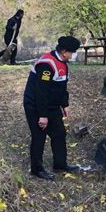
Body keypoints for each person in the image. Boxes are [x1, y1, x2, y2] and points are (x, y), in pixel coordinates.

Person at [23, 36, 81, 180]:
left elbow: (61, 87)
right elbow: (41, 92)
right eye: (72, 52)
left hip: (52, 105)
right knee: (39, 136)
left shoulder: (64, 64)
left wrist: (65, 105)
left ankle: (60, 164)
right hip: (36, 105)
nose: (73, 55)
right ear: (64, 51)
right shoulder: (47, 65)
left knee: (59, 133)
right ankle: (37, 169)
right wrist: (43, 115)